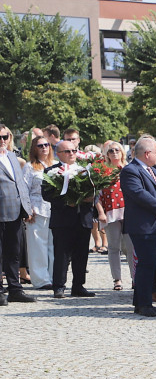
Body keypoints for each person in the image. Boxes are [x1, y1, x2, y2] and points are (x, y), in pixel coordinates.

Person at [121, 136, 156, 317]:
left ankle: (140, 301)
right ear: (147, 154)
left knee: (149, 265)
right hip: (143, 226)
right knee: (146, 265)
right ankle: (144, 304)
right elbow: (138, 194)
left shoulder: (151, 170)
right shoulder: (131, 171)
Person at [44, 140, 96, 299]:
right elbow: (46, 194)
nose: (72, 154)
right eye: (67, 151)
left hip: (83, 218)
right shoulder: (51, 171)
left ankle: (78, 285)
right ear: (58, 154)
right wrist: (67, 200)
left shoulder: (85, 170)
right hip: (63, 219)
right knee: (62, 255)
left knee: (81, 254)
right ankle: (59, 286)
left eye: (74, 150)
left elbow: (95, 189)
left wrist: (91, 197)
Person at [0, 123, 36, 305]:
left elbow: (20, 184)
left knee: (14, 252)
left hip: (15, 211)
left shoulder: (13, 157)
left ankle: (15, 289)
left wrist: (27, 207)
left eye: (5, 137)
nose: (2, 141)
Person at [96, 142, 134, 292]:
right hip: (110, 212)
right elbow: (97, 196)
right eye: (110, 150)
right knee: (113, 247)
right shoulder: (102, 171)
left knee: (131, 247)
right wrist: (100, 212)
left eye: (117, 150)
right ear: (106, 154)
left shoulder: (129, 169)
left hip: (128, 212)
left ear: (122, 152)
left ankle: (135, 277)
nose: (114, 153)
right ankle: (117, 279)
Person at [23, 136, 55, 291]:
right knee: (37, 246)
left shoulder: (55, 165)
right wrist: (28, 209)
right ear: (34, 148)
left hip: (54, 209)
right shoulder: (30, 167)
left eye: (46, 145)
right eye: (40, 145)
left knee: (54, 246)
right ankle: (41, 280)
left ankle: (55, 277)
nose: (44, 148)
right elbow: (24, 189)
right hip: (37, 208)